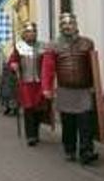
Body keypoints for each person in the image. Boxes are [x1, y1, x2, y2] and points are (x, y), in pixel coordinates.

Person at [42, 13, 99, 164]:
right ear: (60, 27)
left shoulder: (87, 43)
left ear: (76, 25)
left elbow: (93, 67)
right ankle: (70, 149)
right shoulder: (53, 45)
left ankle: (86, 150)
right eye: (64, 24)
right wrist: (46, 88)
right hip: (65, 89)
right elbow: (48, 69)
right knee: (69, 123)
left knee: (86, 122)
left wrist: (96, 87)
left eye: (70, 23)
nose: (68, 27)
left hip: (84, 89)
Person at [7, 22, 48, 146]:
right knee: (29, 109)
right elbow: (12, 61)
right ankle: (30, 135)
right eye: (28, 32)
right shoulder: (19, 47)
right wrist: (13, 65)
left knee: (39, 109)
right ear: (24, 34)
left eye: (33, 32)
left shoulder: (42, 46)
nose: (31, 34)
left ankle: (36, 131)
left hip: (39, 82)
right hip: (25, 82)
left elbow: (48, 63)